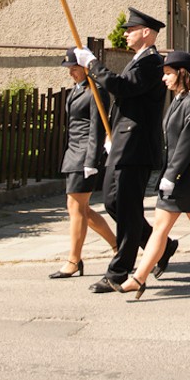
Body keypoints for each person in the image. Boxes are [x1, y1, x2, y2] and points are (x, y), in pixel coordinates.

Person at [74, 7, 177, 293]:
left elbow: (122, 88)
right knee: (113, 203)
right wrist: (113, 137)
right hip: (123, 143)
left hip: (137, 147)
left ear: (146, 32)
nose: (125, 33)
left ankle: (118, 273)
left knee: (128, 210)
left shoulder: (152, 63)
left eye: (130, 29)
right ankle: (163, 248)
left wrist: (93, 65)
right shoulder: (138, 60)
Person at [118, 51, 190, 300]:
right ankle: (138, 278)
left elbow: (187, 145)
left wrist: (171, 175)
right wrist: (166, 175)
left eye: (168, 73)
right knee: (159, 230)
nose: (164, 78)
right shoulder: (178, 100)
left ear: (181, 73)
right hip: (174, 180)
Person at [49, 48, 118, 279]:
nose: (71, 73)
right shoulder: (77, 90)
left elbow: (96, 128)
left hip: (84, 156)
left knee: (76, 208)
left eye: (75, 68)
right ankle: (117, 246)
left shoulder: (96, 92)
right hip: (73, 154)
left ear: (86, 67)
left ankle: (73, 260)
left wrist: (92, 160)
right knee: (83, 210)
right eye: (69, 69)